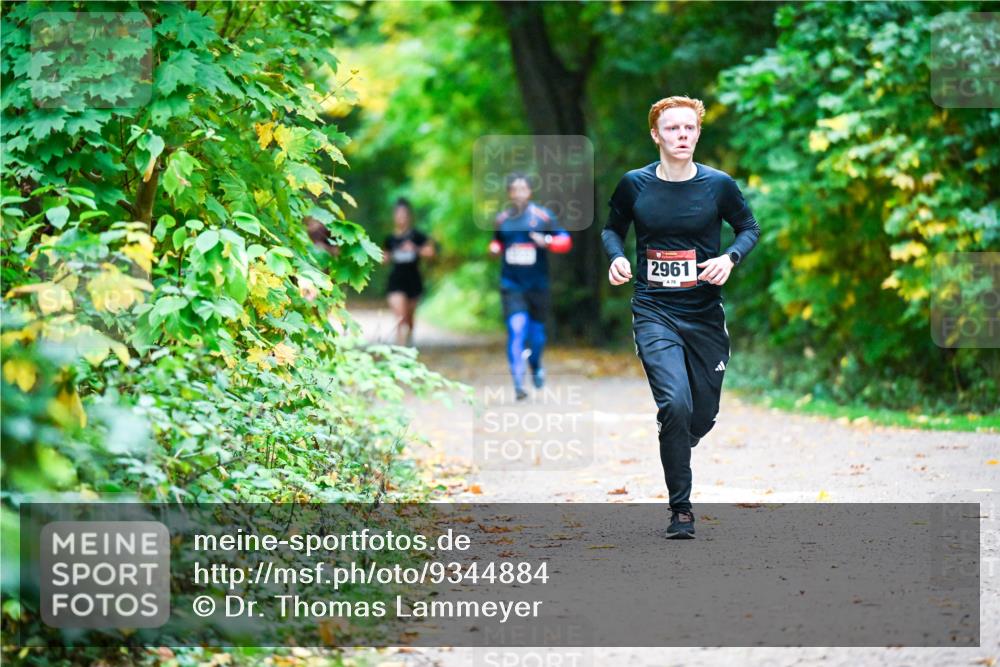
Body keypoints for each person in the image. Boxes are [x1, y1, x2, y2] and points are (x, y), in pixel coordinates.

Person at [602, 96, 761, 539]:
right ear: (656, 135)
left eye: (689, 128)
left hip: (704, 313)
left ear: (698, 133)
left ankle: (679, 435)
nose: (682, 136)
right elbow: (612, 228)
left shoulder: (718, 185)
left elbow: (749, 228)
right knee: (674, 404)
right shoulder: (634, 185)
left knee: (701, 416)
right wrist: (616, 258)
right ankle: (681, 511)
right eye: (672, 129)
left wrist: (730, 258)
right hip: (654, 310)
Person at [489, 173, 572, 400]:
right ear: (509, 193)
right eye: (514, 190)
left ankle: (535, 365)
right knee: (516, 329)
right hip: (511, 284)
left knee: (536, 336)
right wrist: (495, 247)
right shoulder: (502, 219)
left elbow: (565, 240)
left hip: (537, 285)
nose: (518, 194)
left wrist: (545, 241)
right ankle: (518, 382)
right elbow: (497, 241)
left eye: (522, 189)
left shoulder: (542, 217)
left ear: (529, 192)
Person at [384, 198, 434, 346]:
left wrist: (415, 249)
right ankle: (400, 351)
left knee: (409, 320)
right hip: (396, 281)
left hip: (413, 280)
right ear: (394, 216)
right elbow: (383, 259)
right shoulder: (390, 239)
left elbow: (431, 253)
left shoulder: (417, 236)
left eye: (404, 214)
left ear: (409, 216)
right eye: (398, 214)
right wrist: (391, 254)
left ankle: (409, 344)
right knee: (400, 318)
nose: (401, 217)